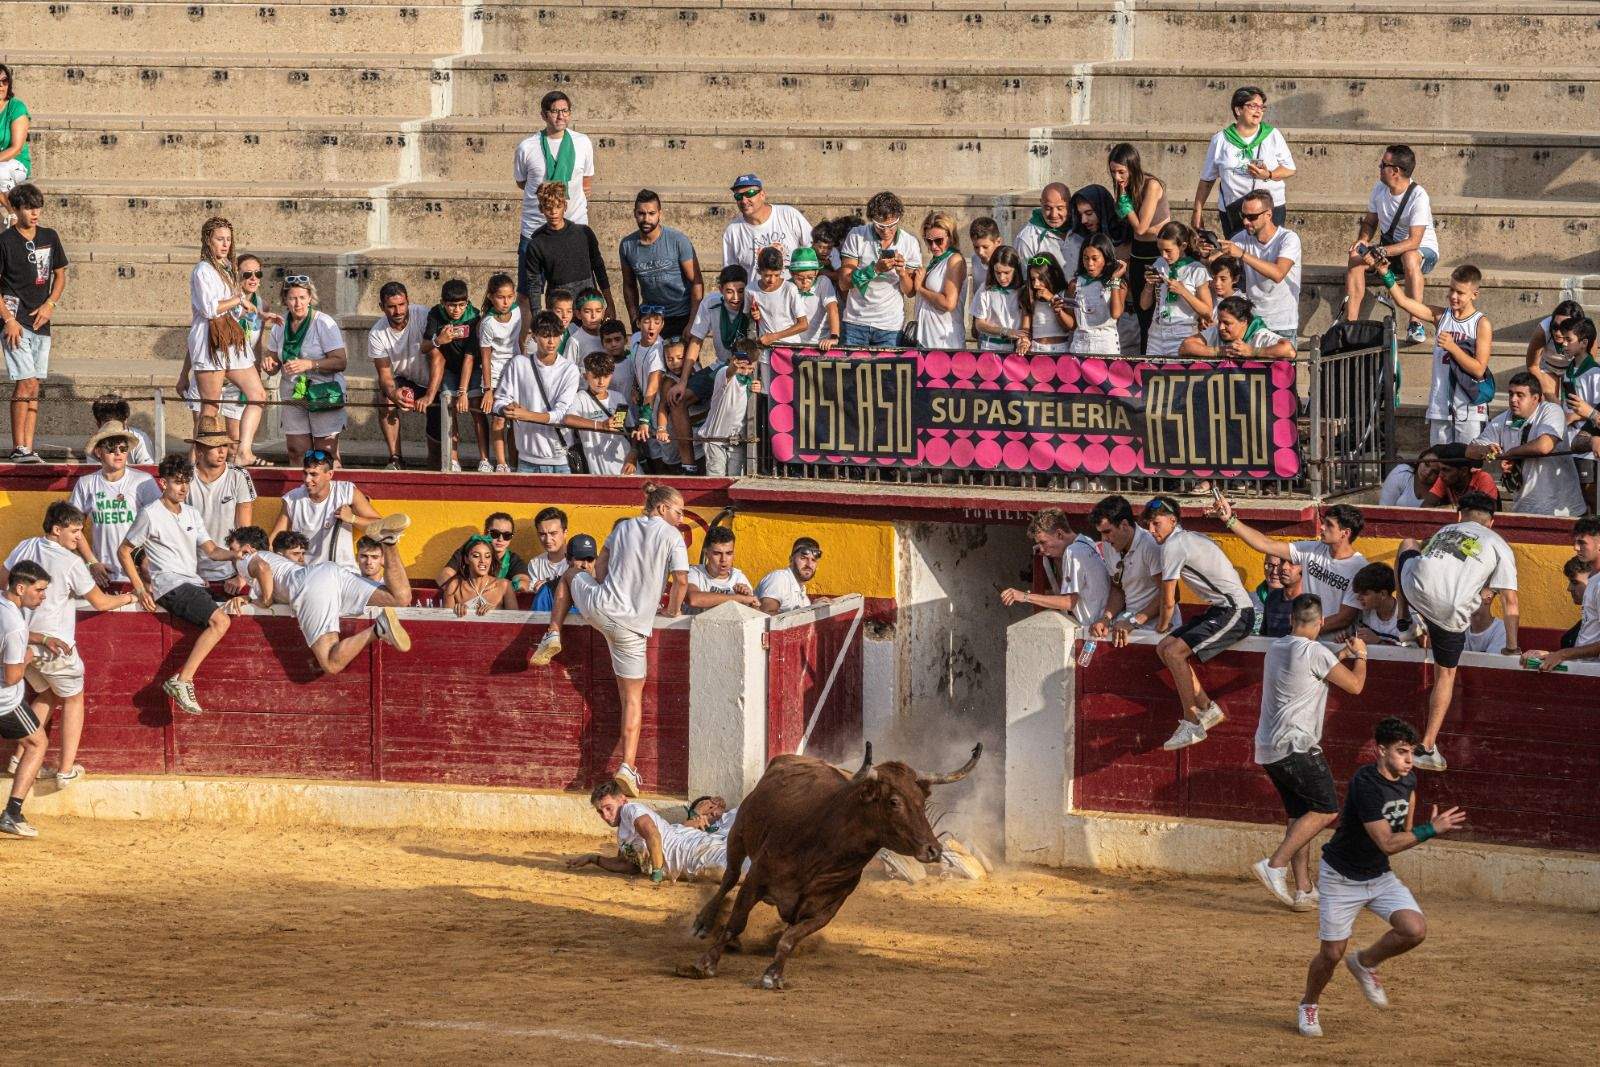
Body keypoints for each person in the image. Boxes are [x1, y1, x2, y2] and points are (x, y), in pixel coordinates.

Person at [1296, 717, 1466, 1039]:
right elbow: (1387, 843)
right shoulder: (1366, 784)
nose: (1409, 761)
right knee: (1331, 954)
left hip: (1378, 875)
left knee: (1414, 929)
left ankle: (1364, 962)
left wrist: (1422, 830)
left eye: (1412, 753)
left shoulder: (1409, 781)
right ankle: (1308, 1004)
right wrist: (1429, 831)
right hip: (1341, 877)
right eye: (1402, 752)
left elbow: (1404, 831)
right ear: (1380, 750)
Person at [529, 482, 690, 798]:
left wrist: (609, 585)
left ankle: (553, 632)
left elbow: (600, 568)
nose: (681, 518)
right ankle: (628, 766)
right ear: (661, 508)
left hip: (601, 608)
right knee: (631, 700)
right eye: (678, 511)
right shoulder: (672, 536)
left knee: (570, 575)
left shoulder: (625, 526)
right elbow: (681, 580)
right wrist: (669, 610)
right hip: (634, 628)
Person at [1, 500, 138, 787]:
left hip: (24, 641)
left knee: (47, 695)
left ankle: (19, 756)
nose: (79, 538)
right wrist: (128, 597)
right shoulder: (71, 562)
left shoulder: (25, 547)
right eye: (74, 531)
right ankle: (65, 769)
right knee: (73, 698)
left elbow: (5, 583)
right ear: (56, 529)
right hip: (54, 645)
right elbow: (100, 602)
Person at [1251, 594, 1368, 912]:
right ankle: (1275, 865)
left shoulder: (1277, 647)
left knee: (1300, 816)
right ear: (1320, 623)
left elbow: (1311, 673)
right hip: (1297, 747)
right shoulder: (1316, 652)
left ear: (1292, 620)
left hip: (1270, 748)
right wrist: (1361, 655)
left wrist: (1341, 653)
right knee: (1326, 809)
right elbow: (1355, 686)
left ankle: (1303, 888)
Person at [1395, 491, 1520, 771]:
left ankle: (1403, 620)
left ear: (1459, 514)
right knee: (1446, 675)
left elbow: (1429, 561)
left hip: (1414, 590)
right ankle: (1427, 746)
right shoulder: (1498, 544)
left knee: (1407, 545)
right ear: (1492, 522)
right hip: (1450, 610)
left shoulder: (1446, 529)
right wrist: (1512, 648)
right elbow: (1510, 602)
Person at [119, 456, 240, 716]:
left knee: (222, 618)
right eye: (177, 482)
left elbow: (211, 551)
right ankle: (182, 680)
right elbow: (125, 551)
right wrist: (140, 587)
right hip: (169, 584)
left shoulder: (192, 513)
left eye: (186, 482)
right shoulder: (150, 513)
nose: (183, 488)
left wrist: (235, 555)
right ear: (163, 483)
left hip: (191, 583)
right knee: (221, 622)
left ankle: (182, 679)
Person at [1141, 495, 1255, 751]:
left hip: (1236, 611)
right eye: (1149, 525)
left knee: (1172, 650)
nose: (1151, 530)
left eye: (1156, 523)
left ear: (1172, 521)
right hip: (1222, 609)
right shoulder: (1187, 538)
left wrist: (1162, 626)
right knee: (1164, 649)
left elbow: (1169, 599)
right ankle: (1206, 708)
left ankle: (1192, 723)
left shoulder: (1173, 546)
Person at [1210, 495, 1367, 633]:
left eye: (1329, 525)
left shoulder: (1358, 568)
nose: (1322, 527)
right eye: (1323, 522)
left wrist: (1306, 630)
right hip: (1307, 639)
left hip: (1336, 645)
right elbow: (1266, 544)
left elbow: (1345, 618)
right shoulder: (1313, 549)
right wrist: (1230, 520)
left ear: (1345, 533)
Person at [1376, 260, 1492, 445]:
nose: (1453, 296)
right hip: (1440, 406)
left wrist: (1453, 347)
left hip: (1469, 408)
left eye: (1460, 292)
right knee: (1439, 465)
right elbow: (1404, 302)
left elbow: (1479, 369)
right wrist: (1385, 273)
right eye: (1451, 289)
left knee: (1467, 465)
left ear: (1474, 295)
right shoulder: (1440, 316)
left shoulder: (1481, 323)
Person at [185, 217, 269, 466]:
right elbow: (210, 309)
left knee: (258, 395)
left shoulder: (228, 269)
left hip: (231, 340)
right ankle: (196, 461)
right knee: (210, 409)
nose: (225, 244)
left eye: (228, 240)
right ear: (208, 241)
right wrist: (239, 300)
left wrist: (259, 313)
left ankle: (244, 451)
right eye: (220, 239)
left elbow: (234, 311)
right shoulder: (202, 270)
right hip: (210, 341)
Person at [287, 517, 413, 676]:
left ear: (382, 559)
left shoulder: (381, 585)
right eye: (364, 556)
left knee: (400, 598)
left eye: (374, 557)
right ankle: (388, 541)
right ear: (356, 557)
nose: (369, 562)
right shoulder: (350, 579)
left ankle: (388, 541)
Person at [1344, 145, 1439, 346]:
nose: (1379, 167)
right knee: (1355, 258)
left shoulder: (1418, 197)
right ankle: (1350, 323)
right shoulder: (1379, 189)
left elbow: (1414, 241)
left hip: (1423, 252)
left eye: (1383, 164)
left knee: (1410, 256)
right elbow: (1370, 222)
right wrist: (1363, 241)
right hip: (1390, 250)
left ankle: (1415, 322)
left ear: (1395, 171)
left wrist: (1379, 251)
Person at [514, 91, 594, 321]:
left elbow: (586, 180)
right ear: (544, 114)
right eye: (555, 111)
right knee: (528, 293)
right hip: (535, 231)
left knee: (577, 293)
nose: (560, 116)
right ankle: (528, 342)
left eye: (565, 110)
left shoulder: (583, 142)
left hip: (574, 229)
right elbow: (522, 182)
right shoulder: (527, 147)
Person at [1, 183, 66, 463]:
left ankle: (29, 446)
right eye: (28, 207)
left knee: (35, 384)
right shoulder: (5, 241)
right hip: (14, 322)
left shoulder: (50, 236)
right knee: (25, 382)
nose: (34, 212)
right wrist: (8, 319)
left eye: (37, 206)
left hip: (41, 320)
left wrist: (50, 304)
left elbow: (60, 274)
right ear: (15, 209)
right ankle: (18, 447)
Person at [567, 780, 738, 884]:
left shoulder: (629, 809)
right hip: (690, 851)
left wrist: (657, 872)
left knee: (743, 873)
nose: (605, 816)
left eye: (608, 808)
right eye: (600, 811)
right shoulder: (623, 834)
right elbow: (627, 866)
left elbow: (652, 834)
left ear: (623, 800)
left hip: (690, 851)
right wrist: (594, 858)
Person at [1467, 371, 1587, 516]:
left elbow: (1544, 446)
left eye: (1520, 395)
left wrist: (1511, 453)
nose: (1513, 399)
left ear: (1535, 398)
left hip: (1563, 510)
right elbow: (1470, 451)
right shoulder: (1501, 420)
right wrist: (1486, 449)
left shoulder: (1552, 411)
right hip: (1523, 509)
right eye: (1511, 394)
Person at [263, 275, 348, 468]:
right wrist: (269, 364)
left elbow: (341, 361)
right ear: (285, 299)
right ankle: (299, 494)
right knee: (296, 449)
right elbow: (274, 359)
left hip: (322, 390)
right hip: (293, 391)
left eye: (302, 297)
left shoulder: (323, 323)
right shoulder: (280, 323)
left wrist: (310, 364)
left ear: (310, 298)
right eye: (292, 298)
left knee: (325, 453)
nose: (298, 303)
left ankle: (331, 495)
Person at [1192, 86, 1295, 238]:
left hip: (1269, 209)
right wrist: (1197, 212)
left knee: (1268, 254)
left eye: (1261, 107)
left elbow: (1289, 169)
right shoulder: (1220, 139)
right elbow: (1207, 180)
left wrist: (1268, 174)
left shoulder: (1272, 135)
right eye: (1253, 106)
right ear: (1238, 110)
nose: (1258, 111)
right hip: (1235, 209)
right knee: (1238, 254)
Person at [71, 420, 160, 587]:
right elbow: (73, 528)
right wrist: (91, 563)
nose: (118, 453)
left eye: (123, 448)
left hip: (141, 573)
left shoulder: (143, 481)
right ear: (98, 452)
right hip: (104, 573)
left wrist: (149, 560)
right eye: (111, 449)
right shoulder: (86, 483)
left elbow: (162, 524)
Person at [493, 309, 581, 474]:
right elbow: (498, 402)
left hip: (561, 461)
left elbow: (561, 414)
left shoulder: (570, 370)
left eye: (555, 335)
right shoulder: (518, 364)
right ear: (534, 337)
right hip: (526, 460)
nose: (551, 341)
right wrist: (507, 409)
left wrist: (525, 415)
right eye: (545, 335)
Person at [0, 559, 50, 838]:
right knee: (36, 744)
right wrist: (30, 656)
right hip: (4, 702)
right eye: (39, 590)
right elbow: (11, 677)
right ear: (21, 588)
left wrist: (40, 638)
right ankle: (12, 813)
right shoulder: (15, 628)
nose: (43, 596)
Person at [367, 280, 439, 470]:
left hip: (435, 381)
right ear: (382, 307)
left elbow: (437, 359)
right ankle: (395, 458)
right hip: (408, 381)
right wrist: (393, 394)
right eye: (391, 307)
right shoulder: (377, 333)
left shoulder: (423, 316)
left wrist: (430, 394)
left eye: (402, 305)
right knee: (384, 398)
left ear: (408, 301)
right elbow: (384, 375)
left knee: (436, 460)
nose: (398, 311)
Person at [1000, 508, 1111, 630]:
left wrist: (1025, 597)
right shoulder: (1086, 542)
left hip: (1092, 630)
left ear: (1059, 534)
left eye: (1043, 542)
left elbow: (1069, 602)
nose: (1041, 549)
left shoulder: (1073, 552)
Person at [1215, 189, 1301, 344]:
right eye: (1243, 216)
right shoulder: (1242, 238)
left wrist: (1242, 254)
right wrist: (1206, 251)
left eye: (1252, 217)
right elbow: (1217, 263)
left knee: (1281, 369)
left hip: (1282, 324)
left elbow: (1278, 274)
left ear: (1268, 214)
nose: (1245, 222)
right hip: (1253, 324)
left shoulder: (1288, 239)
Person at [1087, 494, 1178, 642]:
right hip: (1128, 625)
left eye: (1107, 531)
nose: (1104, 539)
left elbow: (1171, 595)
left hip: (1158, 629)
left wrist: (1133, 622)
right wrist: (1106, 618)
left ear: (1124, 525)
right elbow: (1118, 588)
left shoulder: (1150, 545)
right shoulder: (1110, 545)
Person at [272, 450, 383, 570]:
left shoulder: (346, 492)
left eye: (314, 474)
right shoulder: (292, 499)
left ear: (330, 474)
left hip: (343, 572)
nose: (307, 480)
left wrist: (353, 518)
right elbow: (275, 541)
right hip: (306, 573)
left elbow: (382, 526)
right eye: (305, 473)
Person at [837, 192, 921, 348]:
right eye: (880, 226)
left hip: (890, 326)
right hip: (855, 322)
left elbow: (910, 292)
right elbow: (843, 282)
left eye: (892, 225)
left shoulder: (910, 242)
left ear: (899, 218)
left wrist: (902, 273)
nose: (887, 231)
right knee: (851, 371)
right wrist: (874, 270)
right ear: (872, 220)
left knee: (888, 372)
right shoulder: (857, 235)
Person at [1107, 144, 1171, 348]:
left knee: (1156, 312)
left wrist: (1125, 203)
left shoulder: (1151, 185)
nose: (1117, 177)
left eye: (1121, 172)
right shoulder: (1125, 186)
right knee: (1143, 315)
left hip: (1157, 252)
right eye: (1113, 172)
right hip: (1137, 254)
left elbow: (1141, 228)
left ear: (1133, 167)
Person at [520, 183, 614, 320]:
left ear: (565, 206)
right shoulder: (536, 244)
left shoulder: (584, 233)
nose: (553, 212)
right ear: (541, 209)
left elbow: (599, 268)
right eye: (548, 208)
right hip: (558, 310)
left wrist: (609, 303)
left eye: (558, 206)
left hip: (588, 306)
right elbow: (533, 283)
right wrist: (537, 317)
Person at [421, 278, 486, 473]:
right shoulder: (435, 313)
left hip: (472, 366)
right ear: (443, 303)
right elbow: (425, 347)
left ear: (467, 303)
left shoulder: (474, 316)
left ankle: (484, 459)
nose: (456, 310)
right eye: (451, 306)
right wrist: (439, 341)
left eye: (460, 305)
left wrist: (463, 391)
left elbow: (469, 357)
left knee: (476, 409)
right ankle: (453, 459)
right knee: (449, 410)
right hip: (448, 368)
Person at [619, 189, 702, 342]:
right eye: (641, 213)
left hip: (681, 316)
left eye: (651, 213)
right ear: (634, 214)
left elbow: (696, 282)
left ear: (660, 214)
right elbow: (629, 284)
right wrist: (634, 319)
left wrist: (693, 322)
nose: (646, 219)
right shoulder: (627, 245)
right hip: (651, 318)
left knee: (684, 365)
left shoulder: (678, 240)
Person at [185, 416, 257, 586]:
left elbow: (244, 530)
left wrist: (242, 574)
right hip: (191, 571)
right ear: (199, 449)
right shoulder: (185, 478)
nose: (222, 451)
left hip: (230, 570)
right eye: (215, 445)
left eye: (224, 445)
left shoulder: (238, 475)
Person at [720, 174, 813, 283]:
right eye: (738, 196)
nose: (744, 201)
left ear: (762, 195)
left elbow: (813, 247)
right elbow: (731, 275)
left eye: (750, 193)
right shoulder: (732, 231)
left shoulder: (789, 215)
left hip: (793, 295)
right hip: (756, 297)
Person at [1140, 222, 1214, 357]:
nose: (1164, 255)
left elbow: (1207, 312)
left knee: (1176, 373)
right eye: (1160, 250)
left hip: (1183, 333)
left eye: (1168, 251)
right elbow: (1144, 305)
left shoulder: (1196, 269)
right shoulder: (1159, 264)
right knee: (1150, 373)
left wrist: (1183, 291)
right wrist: (1149, 285)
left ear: (1183, 246)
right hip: (1157, 332)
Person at [476, 272, 522, 473]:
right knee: (498, 419)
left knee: (514, 419)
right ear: (491, 297)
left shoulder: (519, 312)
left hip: (516, 373)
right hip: (495, 375)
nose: (506, 302)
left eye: (510, 296)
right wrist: (487, 389)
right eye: (501, 297)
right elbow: (485, 356)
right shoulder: (488, 323)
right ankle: (501, 463)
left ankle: (514, 461)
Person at [568, 350, 637, 475]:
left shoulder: (618, 397)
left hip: (625, 463)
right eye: (595, 377)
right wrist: (600, 425)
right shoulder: (580, 398)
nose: (601, 382)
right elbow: (568, 419)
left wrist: (633, 455)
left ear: (611, 375)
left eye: (605, 376)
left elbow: (629, 430)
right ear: (585, 376)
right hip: (599, 468)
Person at [1526, 553, 1598, 669]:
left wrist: (1562, 654)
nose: (1569, 588)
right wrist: (1551, 655)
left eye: (1575, 582)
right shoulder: (1586, 621)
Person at [698, 347, 759, 477]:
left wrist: (758, 388)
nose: (746, 373)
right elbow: (730, 372)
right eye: (743, 368)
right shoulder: (723, 372)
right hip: (715, 439)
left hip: (737, 440)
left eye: (751, 369)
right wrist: (734, 366)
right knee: (716, 478)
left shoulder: (751, 382)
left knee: (735, 478)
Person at [748, 247, 810, 373]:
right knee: (768, 391)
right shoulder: (750, 289)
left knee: (789, 391)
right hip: (766, 353)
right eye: (767, 275)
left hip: (790, 351)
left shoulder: (790, 288)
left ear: (782, 271)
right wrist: (753, 314)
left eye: (776, 275)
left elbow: (803, 324)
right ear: (759, 271)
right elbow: (748, 318)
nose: (772, 280)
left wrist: (773, 337)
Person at [1179, 294, 1295, 360]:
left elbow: (1289, 351)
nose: (1221, 327)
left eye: (1227, 323)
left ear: (1243, 321)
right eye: (1219, 322)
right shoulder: (1217, 331)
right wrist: (1218, 351)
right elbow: (1185, 346)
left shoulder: (1260, 335)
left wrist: (1253, 352)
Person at [1065, 234, 1127, 356]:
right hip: (1080, 345)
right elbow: (1072, 324)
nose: (1090, 264)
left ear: (1106, 258)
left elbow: (1116, 314)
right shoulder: (1074, 284)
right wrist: (1059, 310)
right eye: (1086, 258)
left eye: (1095, 258)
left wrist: (1114, 280)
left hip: (1106, 345)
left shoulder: (1118, 284)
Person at [911, 212, 966, 351]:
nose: (933, 246)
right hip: (927, 339)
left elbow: (949, 304)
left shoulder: (954, 260)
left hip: (944, 341)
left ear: (951, 237)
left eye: (939, 240)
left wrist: (920, 288)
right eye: (929, 241)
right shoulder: (936, 260)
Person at [438, 513, 528, 597]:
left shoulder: (513, 560)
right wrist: (464, 594)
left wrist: (491, 595)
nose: (500, 539)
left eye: (507, 535)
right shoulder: (468, 550)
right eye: (495, 534)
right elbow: (445, 575)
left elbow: (523, 582)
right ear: (485, 532)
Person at [970, 245, 1030, 354]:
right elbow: (979, 324)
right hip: (990, 347)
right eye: (997, 272)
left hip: (1015, 349)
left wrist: (1023, 340)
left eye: (1007, 272)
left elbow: (1026, 324)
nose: (1002, 278)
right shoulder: (985, 289)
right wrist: (1004, 331)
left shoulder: (1023, 290)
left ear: (1016, 270)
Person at [1523, 299, 1587, 401]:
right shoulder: (1543, 330)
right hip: (1548, 366)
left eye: (1563, 328)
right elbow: (1532, 366)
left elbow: (1586, 367)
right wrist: (1551, 398)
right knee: (1550, 405)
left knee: (1572, 405)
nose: (1557, 332)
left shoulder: (1588, 333)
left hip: (1573, 368)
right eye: (1555, 326)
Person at [686, 526, 759, 611]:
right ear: (706, 554)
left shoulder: (738, 577)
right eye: (717, 553)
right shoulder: (694, 573)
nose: (723, 559)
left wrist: (751, 604)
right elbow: (694, 599)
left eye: (729, 553)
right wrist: (739, 599)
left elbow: (755, 613)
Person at [1014, 183, 1081, 275]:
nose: (1053, 215)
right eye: (1048, 208)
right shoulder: (1027, 238)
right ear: (1041, 203)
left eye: (1060, 208)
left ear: (1069, 205)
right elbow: (1026, 279)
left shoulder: (1081, 228)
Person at [442, 536, 518, 617]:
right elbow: (446, 624)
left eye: (487, 556)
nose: (482, 561)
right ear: (466, 559)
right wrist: (457, 612)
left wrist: (496, 612)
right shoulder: (454, 586)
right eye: (476, 556)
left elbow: (515, 621)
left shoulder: (504, 586)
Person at [756, 536, 828, 614]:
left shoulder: (804, 599)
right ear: (791, 559)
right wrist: (809, 611)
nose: (809, 564)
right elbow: (767, 615)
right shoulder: (780, 578)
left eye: (813, 560)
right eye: (803, 558)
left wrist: (811, 609)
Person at [788, 247, 840, 351]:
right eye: (800, 278)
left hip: (821, 344)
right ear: (791, 273)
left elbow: (832, 309)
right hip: (794, 344)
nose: (805, 282)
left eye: (810, 277)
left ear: (816, 272)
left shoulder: (823, 282)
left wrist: (834, 337)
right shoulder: (787, 286)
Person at [1418, 443, 1499, 508]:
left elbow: (1484, 512)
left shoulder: (1483, 479)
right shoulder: (1444, 478)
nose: (1440, 475)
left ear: (1463, 471)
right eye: (1440, 469)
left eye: (1446, 470)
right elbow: (1425, 507)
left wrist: (1450, 508)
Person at [1024, 253, 1073, 356]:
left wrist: (1052, 299)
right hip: (1036, 350)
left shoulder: (1064, 294)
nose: (1036, 284)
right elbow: (1026, 328)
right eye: (1033, 279)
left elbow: (1070, 326)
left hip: (1061, 350)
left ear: (1052, 275)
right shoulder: (1031, 296)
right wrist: (1024, 341)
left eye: (1041, 278)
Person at [0, 64, 31, 225]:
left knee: (1, 170)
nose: (1, 85)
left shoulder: (16, 107)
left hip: (17, 163)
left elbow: (16, 148)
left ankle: (13, 214)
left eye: (4, 81)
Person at [525, 506, 570, 610]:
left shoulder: (579, 560)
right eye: (542, 534)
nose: (547, 540)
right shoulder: (535, 564)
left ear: (565, 533)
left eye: (553, 533)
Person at [90, 396, 155, 465]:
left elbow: (147, 468)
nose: (117, 452)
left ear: (125, 421)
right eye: (109, 425)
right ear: (98, 424)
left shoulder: (140, 438)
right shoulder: (94, 443)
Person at [965, 216, 1003, 330]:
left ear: (998, 242)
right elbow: (976, 292)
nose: (980, 252)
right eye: (976, 247)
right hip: (983, 324)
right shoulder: (975, 260)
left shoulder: (1009, 261)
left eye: (985, 247)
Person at [1352, 562, 1406, 644]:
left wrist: (1379, 642)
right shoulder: (1363, 613)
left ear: (1383, 594)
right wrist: (1347, 638)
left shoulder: (1408, 618)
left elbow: (1416, 653)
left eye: (1365, 594)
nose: (1358, 598)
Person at [1256, 554, 1303, 638]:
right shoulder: (1272, 597)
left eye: (1291, 563)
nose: (1284, 567)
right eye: (1282, 562)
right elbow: (1263, 636)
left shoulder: (1311, 601)